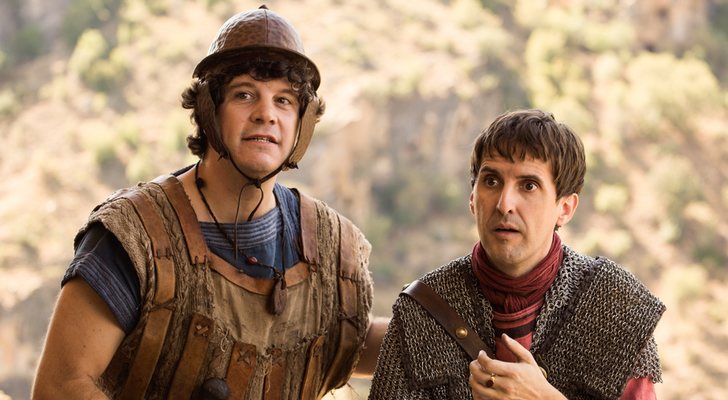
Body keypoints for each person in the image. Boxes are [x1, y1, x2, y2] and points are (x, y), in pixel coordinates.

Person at [32, 5, 387, 400]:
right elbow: (60, 386)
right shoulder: (136, 236)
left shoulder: (332, 245)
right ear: (208, 110)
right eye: (244, 94)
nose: (266, 114)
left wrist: (433, 324)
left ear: (302, 122)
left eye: (284, 100)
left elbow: (343, 341)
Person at [369, 109, 664, 399]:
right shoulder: (421, 311)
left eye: (529, 185)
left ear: (565, 208)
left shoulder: (615, 305)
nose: (504, 204)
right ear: (472, 199)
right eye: (491, 181)